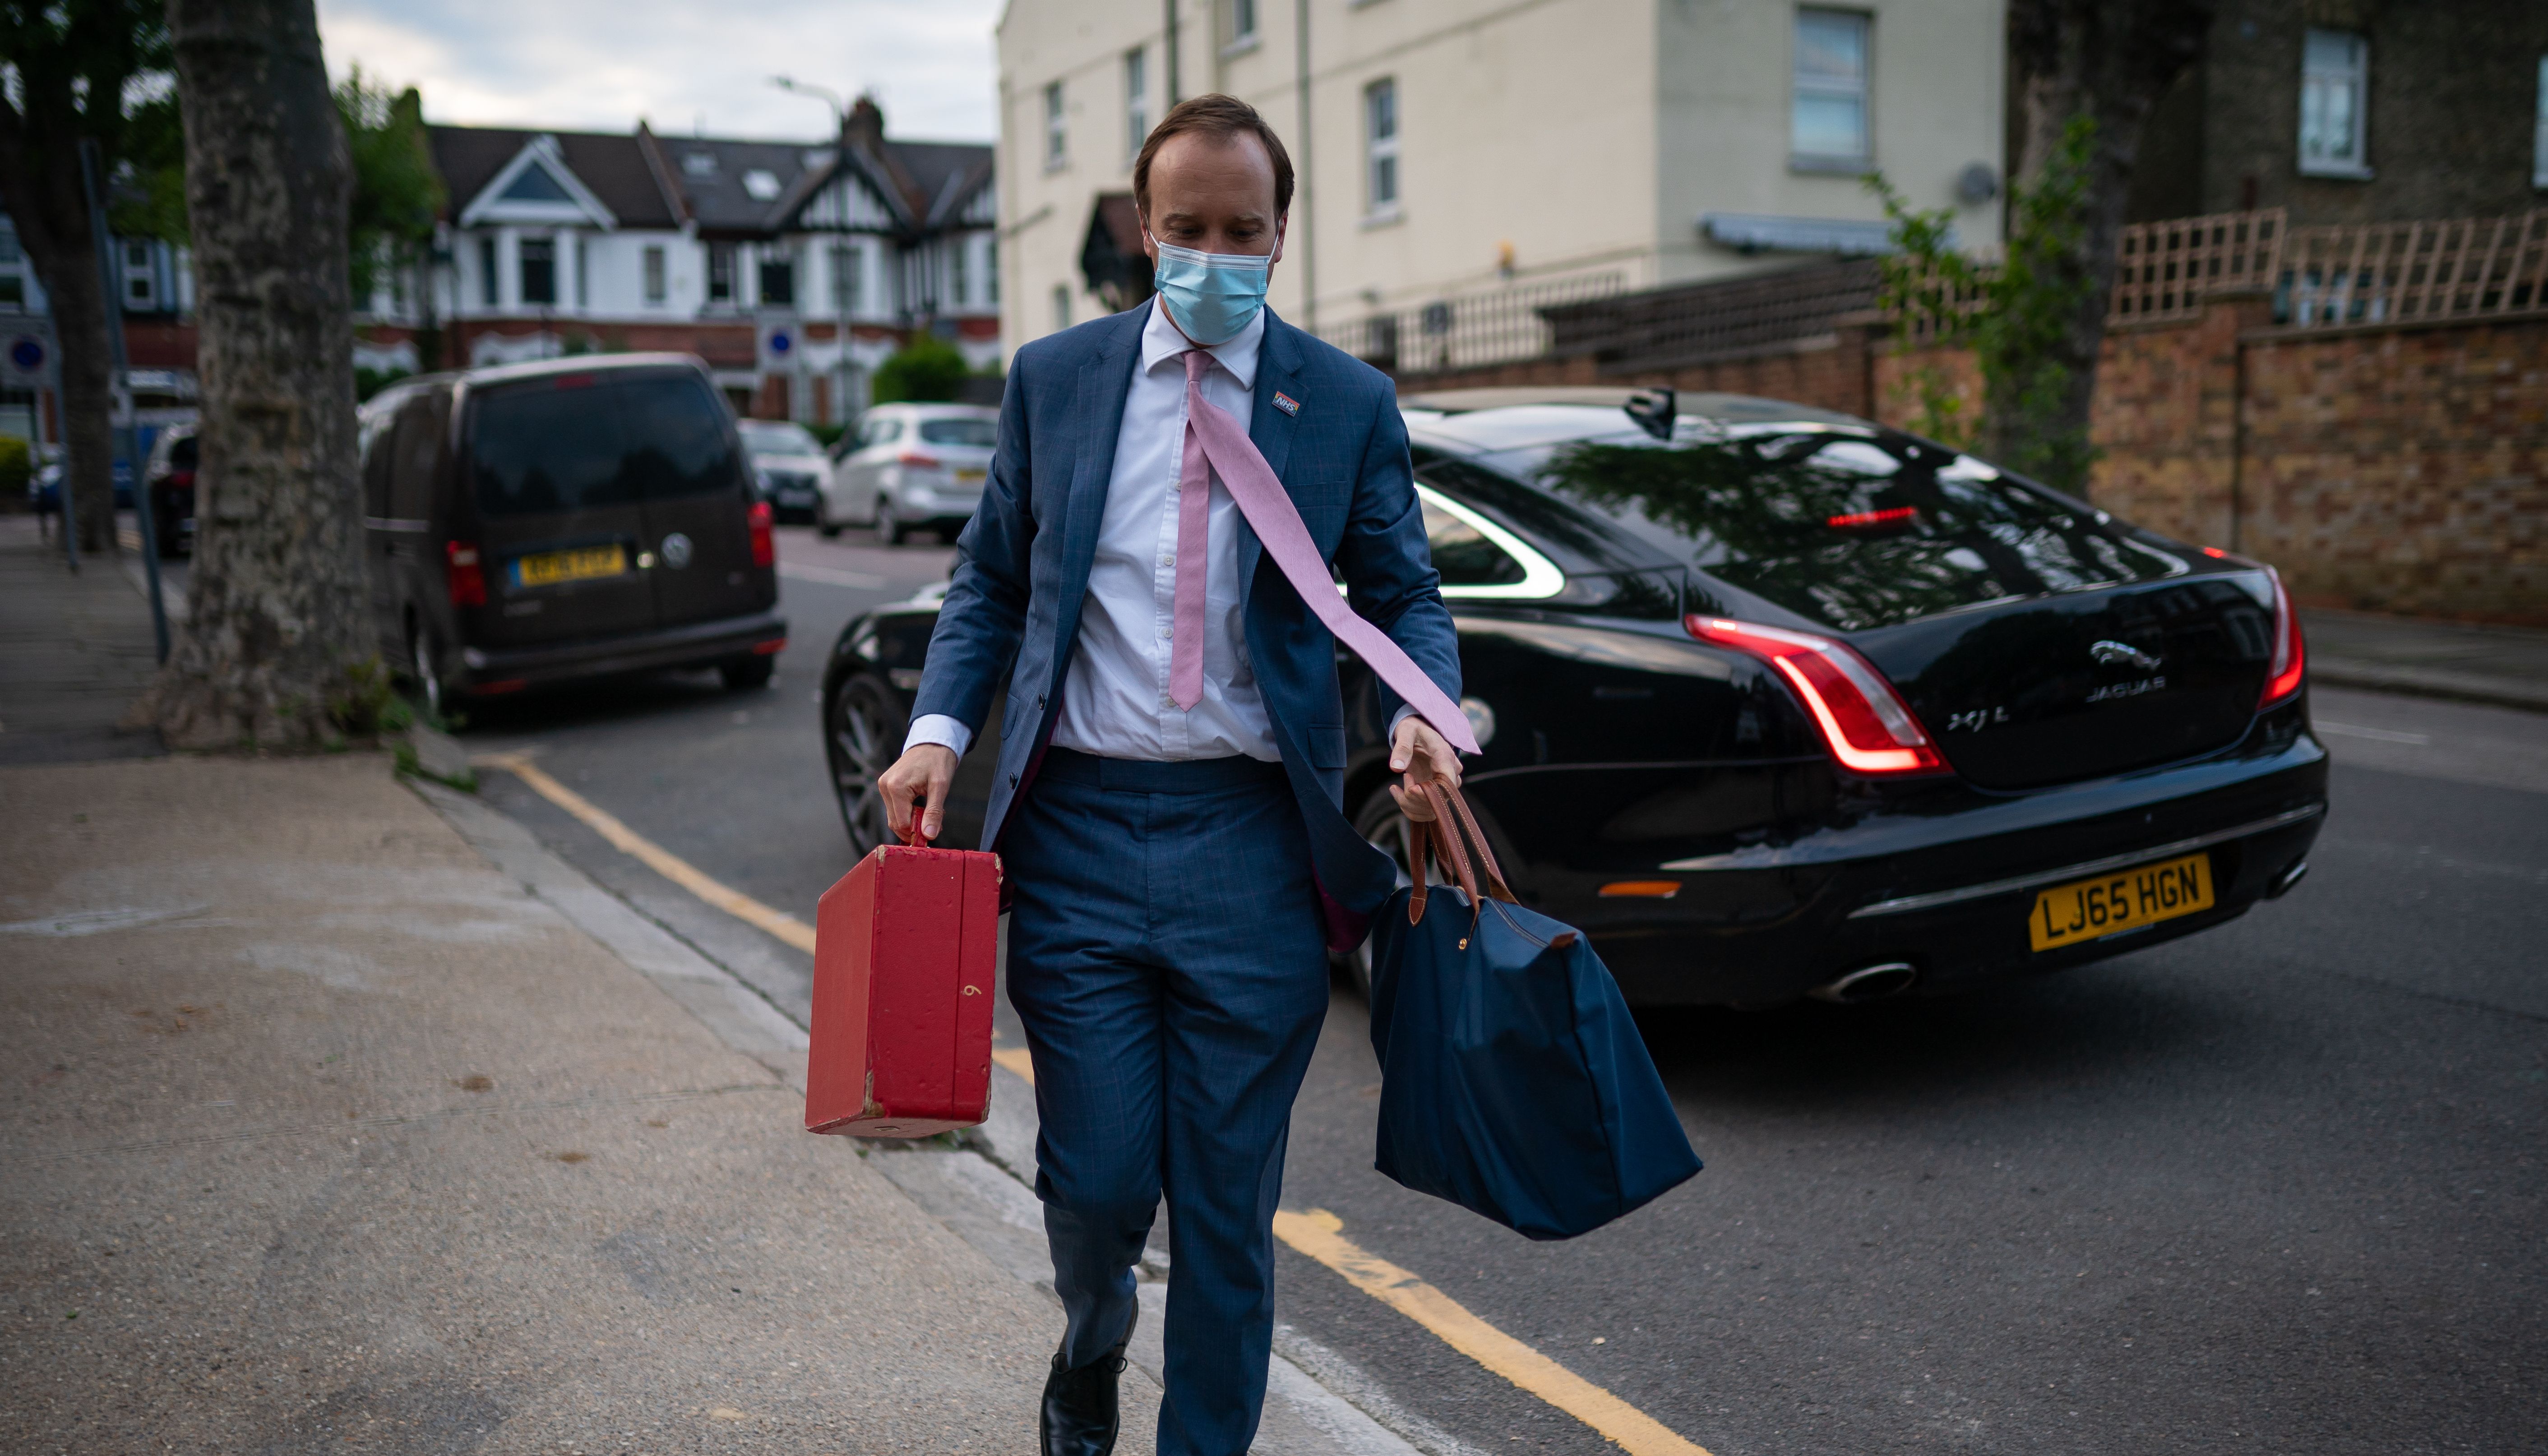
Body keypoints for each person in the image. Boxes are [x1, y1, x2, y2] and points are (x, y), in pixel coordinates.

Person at [874, 93, 1466, 1456]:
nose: (1213, 251)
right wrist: (936, 733)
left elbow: (1405, 591)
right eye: (1185, 227)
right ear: (1145, 231)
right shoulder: (1056, 380)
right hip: (1076, 833)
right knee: (1091, 1182)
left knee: (1224, 1210)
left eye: (1241, 230)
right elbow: (992, 582)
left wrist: (1423, 710)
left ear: (1280, 236)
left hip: (1253, 847)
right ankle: (1090, 1344)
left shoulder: (1348, 405)